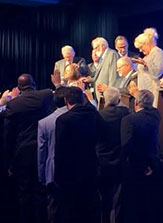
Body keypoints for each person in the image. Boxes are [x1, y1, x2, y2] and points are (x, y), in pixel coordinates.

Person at [5, 73, 55, 223]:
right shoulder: (46, 95)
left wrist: (8, 160)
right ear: (34, 83)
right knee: (42, 191)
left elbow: (8, 135)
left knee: (25, 193)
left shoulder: (14, 104)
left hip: (22, 153)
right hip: (44, 150)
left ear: (19, 88)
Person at [54, 87, 102, 223]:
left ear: (66, 101)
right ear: (83, 99)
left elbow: (60, 151)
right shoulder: (94, 115)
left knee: (72, 213)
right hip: (91, 170)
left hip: (71, 174)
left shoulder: (63, 120)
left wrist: (58, 177)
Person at [120, 90, 161, 223]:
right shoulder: (156, 115)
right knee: (151, 205)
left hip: (135, 168)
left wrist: (143, 166)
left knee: (134, 207)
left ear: (136, 103)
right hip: (154, 165)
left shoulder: (129, 120)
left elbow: (127, 145)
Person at [97, 87, 129, 223]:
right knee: (118, 198)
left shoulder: (99, 115)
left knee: (104, 197)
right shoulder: (124, 112)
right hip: (120, 160)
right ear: (119, 100)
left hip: (102, 162)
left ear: (104, 100)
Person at [37, 87, 69, 223]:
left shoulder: (44, 122)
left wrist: (41, 176)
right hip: (75, 170)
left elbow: (41, 151)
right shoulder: (77, 117)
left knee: (54, 208)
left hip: (52, 171)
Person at [133, 28, 163, 107]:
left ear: (147, 44)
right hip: (145, 93)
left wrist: (145, 63)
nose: (140, 51)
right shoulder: (147, 56)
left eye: (141, 47)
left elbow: (158, 72)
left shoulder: (157, 52)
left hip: (153, 92)